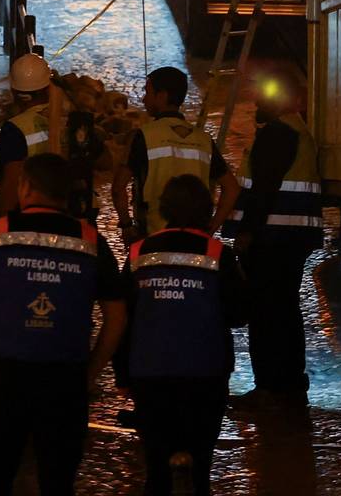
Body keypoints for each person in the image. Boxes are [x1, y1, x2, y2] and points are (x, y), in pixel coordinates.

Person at [0, 153, 129, 496]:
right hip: (64, 377)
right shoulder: (91, 240)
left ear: (25, 187)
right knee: (58, 481)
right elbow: (117, 315)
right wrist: (91, 371)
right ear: (66, 195)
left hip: (2, 375)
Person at [122, 175, 249, 496]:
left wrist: (122, 374)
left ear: (164, 209)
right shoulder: (218, 253)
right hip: (205, 373)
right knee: (201, 469)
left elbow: (122, 319)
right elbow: (239, 314)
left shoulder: (138, 252)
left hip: (150, 373)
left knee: (156, 470)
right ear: (206, 210)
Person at [224, 75, 323, 402]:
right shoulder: (298, 131)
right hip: (292, 236)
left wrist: (246, 232)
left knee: (265, 313)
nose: (257, 103)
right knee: (285, 311)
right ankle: (290, 385)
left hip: (272, 237)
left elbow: (263, 190)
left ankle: (269, 387)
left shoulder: (277, 133)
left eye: (264, 97)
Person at [114, 67, 242, 243]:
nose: (143, 99)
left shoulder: (143, 136)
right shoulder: (204, 140)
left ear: (162, 96)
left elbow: (118, 188)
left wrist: (127, 226)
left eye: (147, 92)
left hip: (153, 239)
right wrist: (211, 229)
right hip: (195, 241)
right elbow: (232, 189)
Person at [0, 53, 92, 219]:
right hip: (76, 213)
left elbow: (11, 184)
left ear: (13, 90)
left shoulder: (15, 128)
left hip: (34, 214)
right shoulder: (75, 119)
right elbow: (104, 160)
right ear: (49, 88)